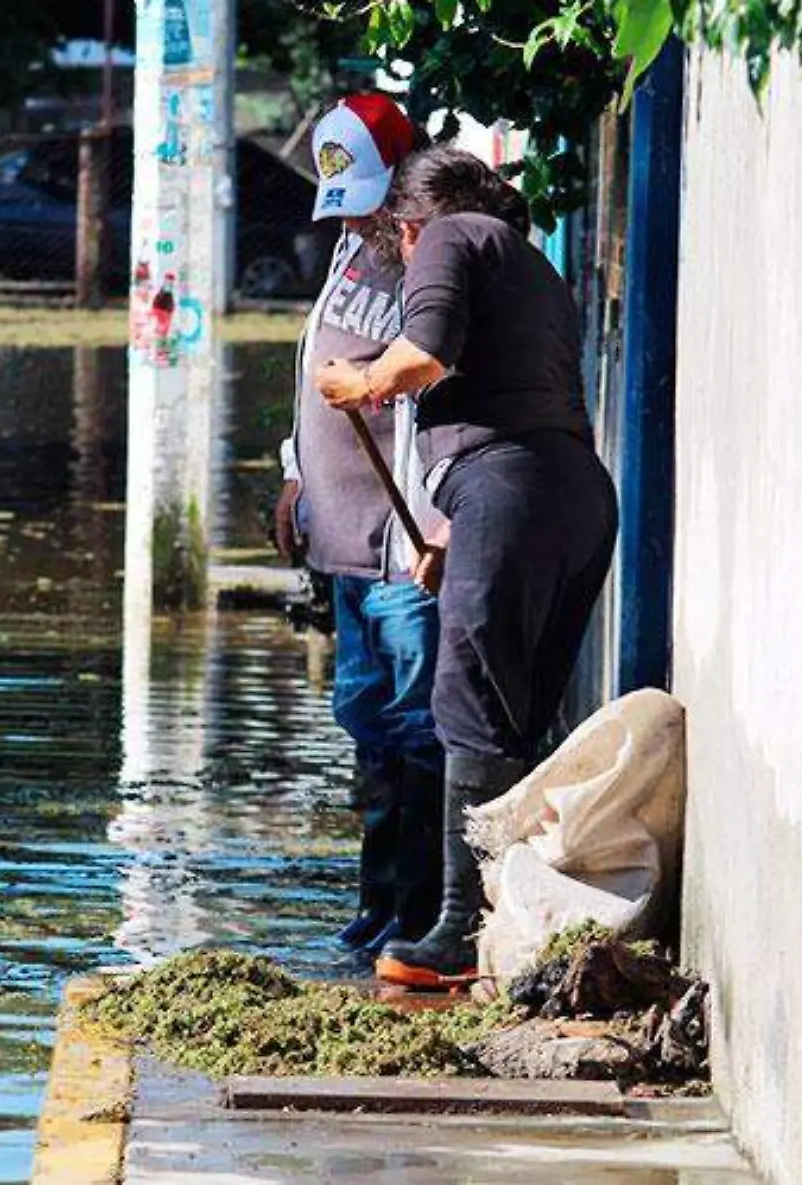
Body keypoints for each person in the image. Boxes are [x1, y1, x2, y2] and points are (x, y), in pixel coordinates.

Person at [316, 147, 619, 987]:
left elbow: (425, 355)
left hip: (514, 490)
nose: (406, 256)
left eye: (399, 240)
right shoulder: (528, 265)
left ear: (410, 224)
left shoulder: (449, 237)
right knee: (515, 712)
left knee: (469, 700)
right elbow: (536, 410)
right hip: (569, 496)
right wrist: (459, 529)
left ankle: (457, 929)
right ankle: (509, 923)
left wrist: (362, 382)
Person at [277, 93, 448, 956]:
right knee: (367, 721)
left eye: (374, 200)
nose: (363, 219)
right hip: (342, 541)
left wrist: (438, 525)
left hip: (405, 544)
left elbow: (438, 382)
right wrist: (296, 472)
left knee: (419, 725)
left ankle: (422, 916)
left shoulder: (434, 257)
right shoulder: (354, 246)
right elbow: (313, 355)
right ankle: (378, 899)